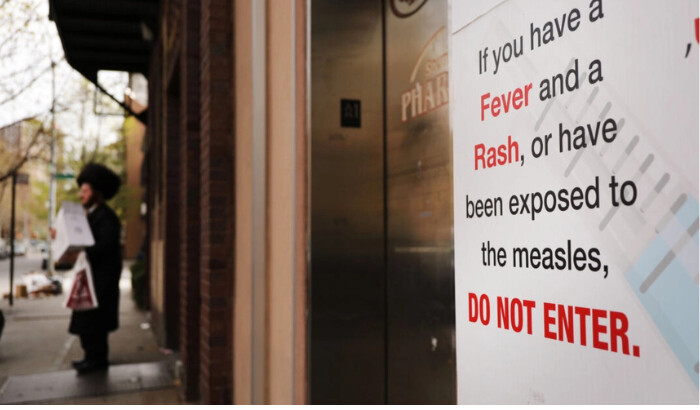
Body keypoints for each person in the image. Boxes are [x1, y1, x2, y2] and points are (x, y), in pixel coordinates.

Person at [55, 163, 122, 374]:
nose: (81, 195)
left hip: (101, 280)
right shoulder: (91, 216)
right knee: (87, 322)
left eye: (85, 190)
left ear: (97, 193)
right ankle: (89, 357)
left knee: (96, 324)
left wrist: (83, 249)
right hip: (90, 278)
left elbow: (105, 246)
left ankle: (97, 359)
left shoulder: (107, 217)